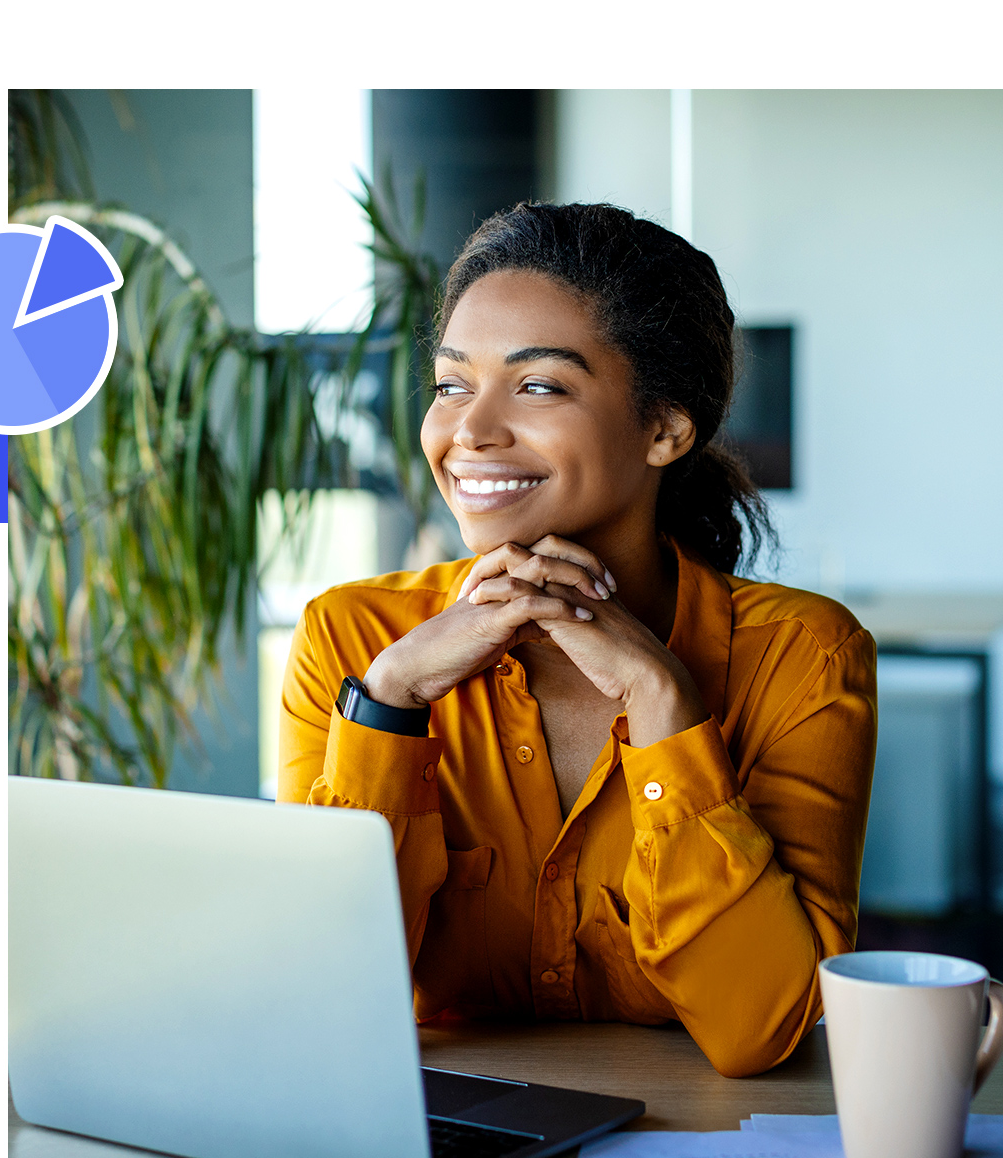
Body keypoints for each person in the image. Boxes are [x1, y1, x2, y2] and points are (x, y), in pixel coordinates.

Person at [277, 202, 876, 1078]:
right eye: (451, 385)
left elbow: (763, 1029)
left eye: (539, 385)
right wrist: (390, 705)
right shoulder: (356, 642)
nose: (469, 433)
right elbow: (312, 999)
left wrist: (666, 708)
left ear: (667, 429)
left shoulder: (804, 657)